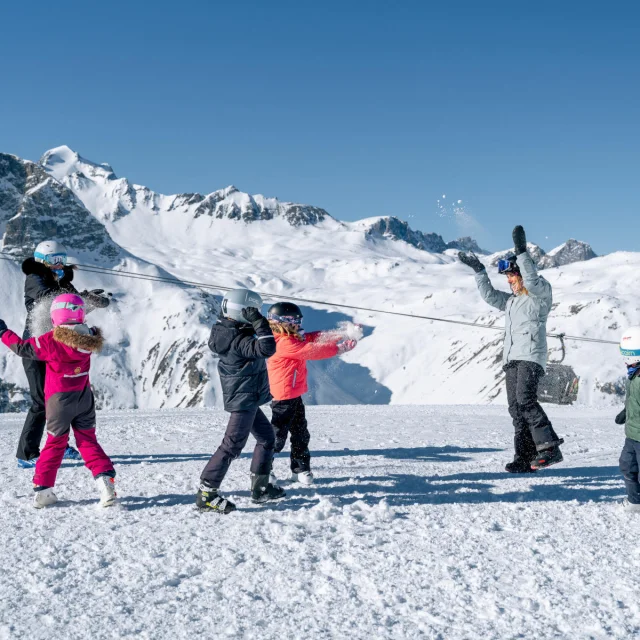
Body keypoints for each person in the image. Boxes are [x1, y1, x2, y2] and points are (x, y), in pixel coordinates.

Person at [459, 225, 564, 471]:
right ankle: (525, 458)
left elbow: (532, 280)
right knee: (516, 409)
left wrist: (522, 252)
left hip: (531, 356)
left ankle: (549, 447)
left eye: (512, 277)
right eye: (507, 278)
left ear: (521, 275)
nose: (510, 282)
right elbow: (489, 296)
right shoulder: (511, 301)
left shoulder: (540, 295)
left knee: (525, 400)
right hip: (512, 358)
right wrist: (479, 271)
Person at [0, 294, 116, 508]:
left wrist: (3, 332)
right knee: (88, 441)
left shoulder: (51, 340)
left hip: (58, 401)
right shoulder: (90, 337)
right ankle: (105, 483)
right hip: (83, 398)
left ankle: (43, 491)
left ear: (55, 318)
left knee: (55, 443)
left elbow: (22, 348)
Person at [17, 240, 110, 468]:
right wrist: (77, 292)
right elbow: (51, 303)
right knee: (40, 401)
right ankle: (26, 454)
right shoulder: (35, 279)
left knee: (58, 399)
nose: (58, 264)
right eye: (53, 260)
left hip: (57, 347)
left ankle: (59, 444)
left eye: (62, 259)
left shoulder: (61, 280)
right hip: (36, 347)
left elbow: (72, 309)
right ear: (42, 261)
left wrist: (91, 302)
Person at [196, 289, 285, 514]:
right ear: (244, 312)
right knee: (232, 446)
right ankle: (207, 494)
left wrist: (254, 322)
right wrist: (259, 322)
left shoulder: (227, 331)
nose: (258, 314)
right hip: (244, 400)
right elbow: (267, 348)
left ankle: (260, 488)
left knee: (267, 437)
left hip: (248, 397)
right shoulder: (239, 340)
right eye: (255, 311)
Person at [266, 302, 358, 484]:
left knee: (301, 433)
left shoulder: (293, 337)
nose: (298, 323)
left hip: (294, 395)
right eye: (293, 320)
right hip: (282, 397)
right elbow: (312, 350)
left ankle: (300, 470)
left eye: (299, 319)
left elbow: (313, 338)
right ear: (280, 322)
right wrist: (339, 349)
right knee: (277, 437)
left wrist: (342, 334)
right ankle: (264, 470)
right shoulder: (283, 342)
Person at [615, 326, 640, 512]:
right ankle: (635, 501)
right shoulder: (632, 376)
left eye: (629, 359)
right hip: (632, 434)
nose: (626, 364)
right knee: (627, 465)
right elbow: (633, 399)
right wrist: (626, 411)